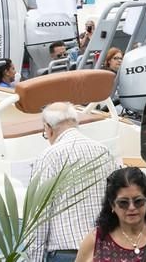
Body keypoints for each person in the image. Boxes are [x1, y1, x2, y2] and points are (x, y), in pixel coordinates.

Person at [30, 102, 118, 262]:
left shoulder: (49, 156)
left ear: (48, 128)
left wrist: (34, 259)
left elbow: (40, 214)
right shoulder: (104, 152)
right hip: (103, 249)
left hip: (65, 253)